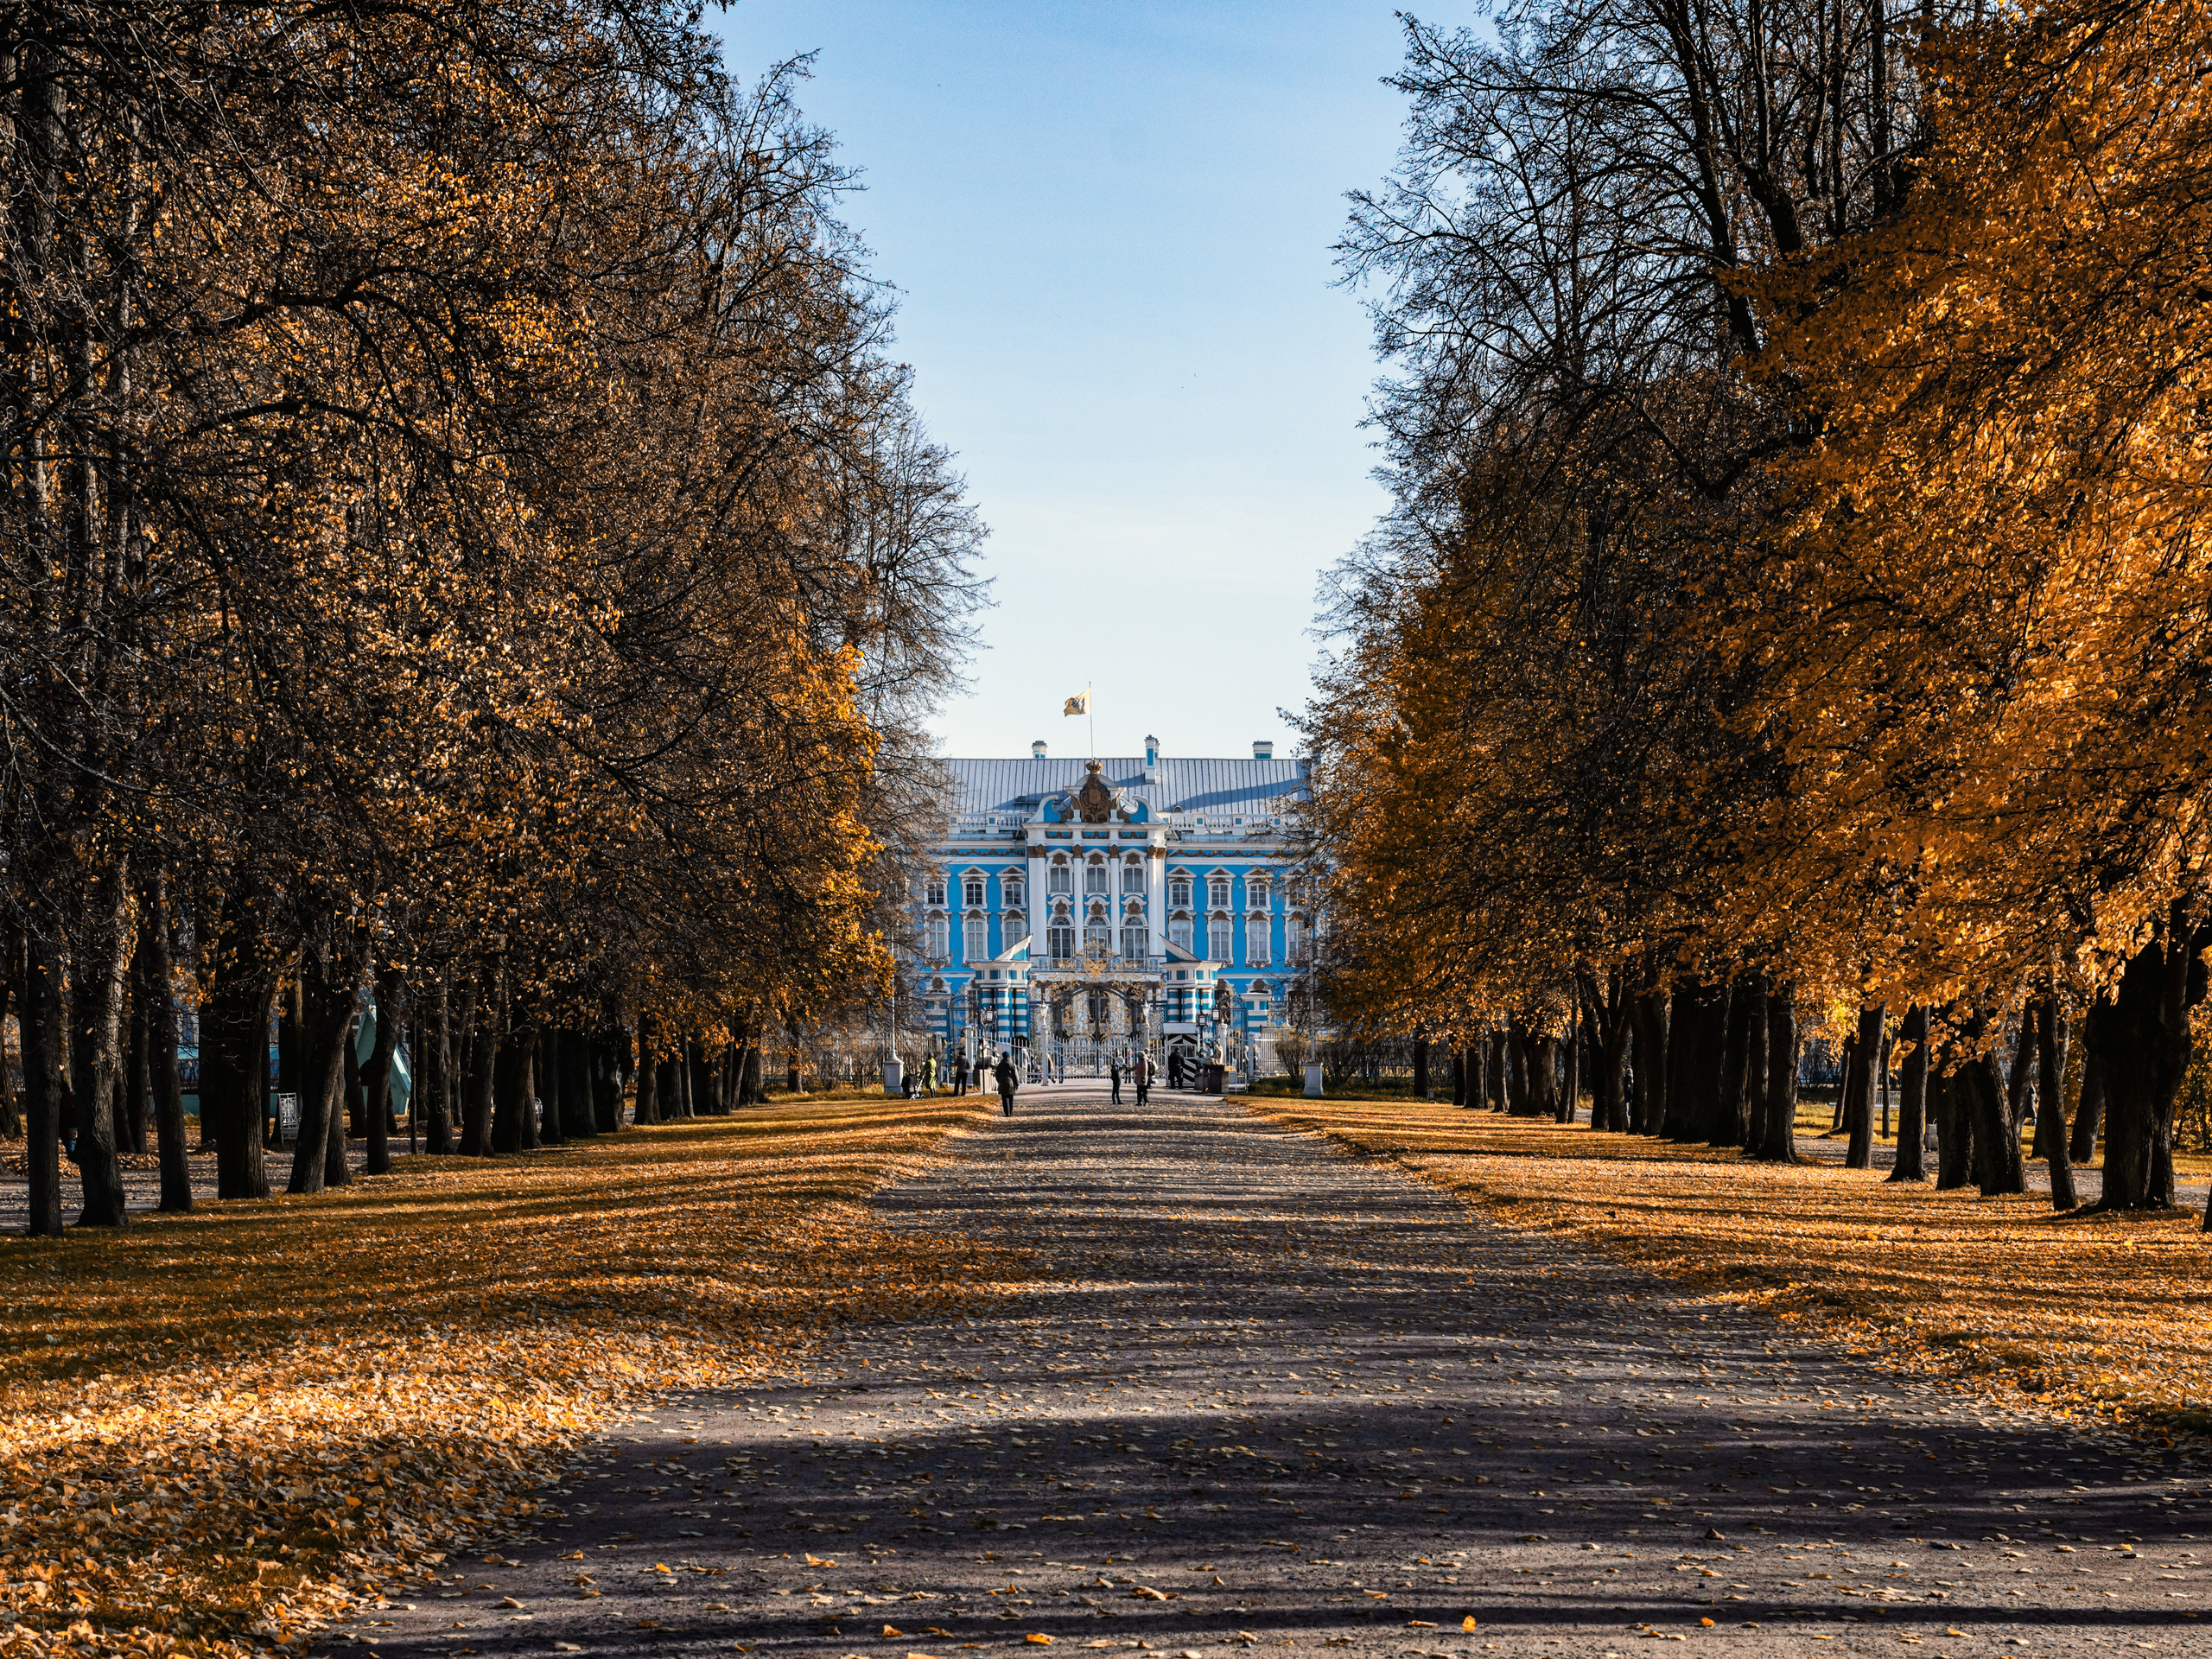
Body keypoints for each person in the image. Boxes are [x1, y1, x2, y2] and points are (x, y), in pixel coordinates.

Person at [994, 1051, 1018, 1118]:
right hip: (1011, 1083)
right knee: (1010, 1097)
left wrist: (999, 1081)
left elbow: (997, 1075)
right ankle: (1011, 1112)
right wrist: (1017, 1083)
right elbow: (1015, 1075)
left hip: (1002, 1082)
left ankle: (1006, 1112)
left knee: (1004, 1098)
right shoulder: (1012, 1064)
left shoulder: (1000, 1065)